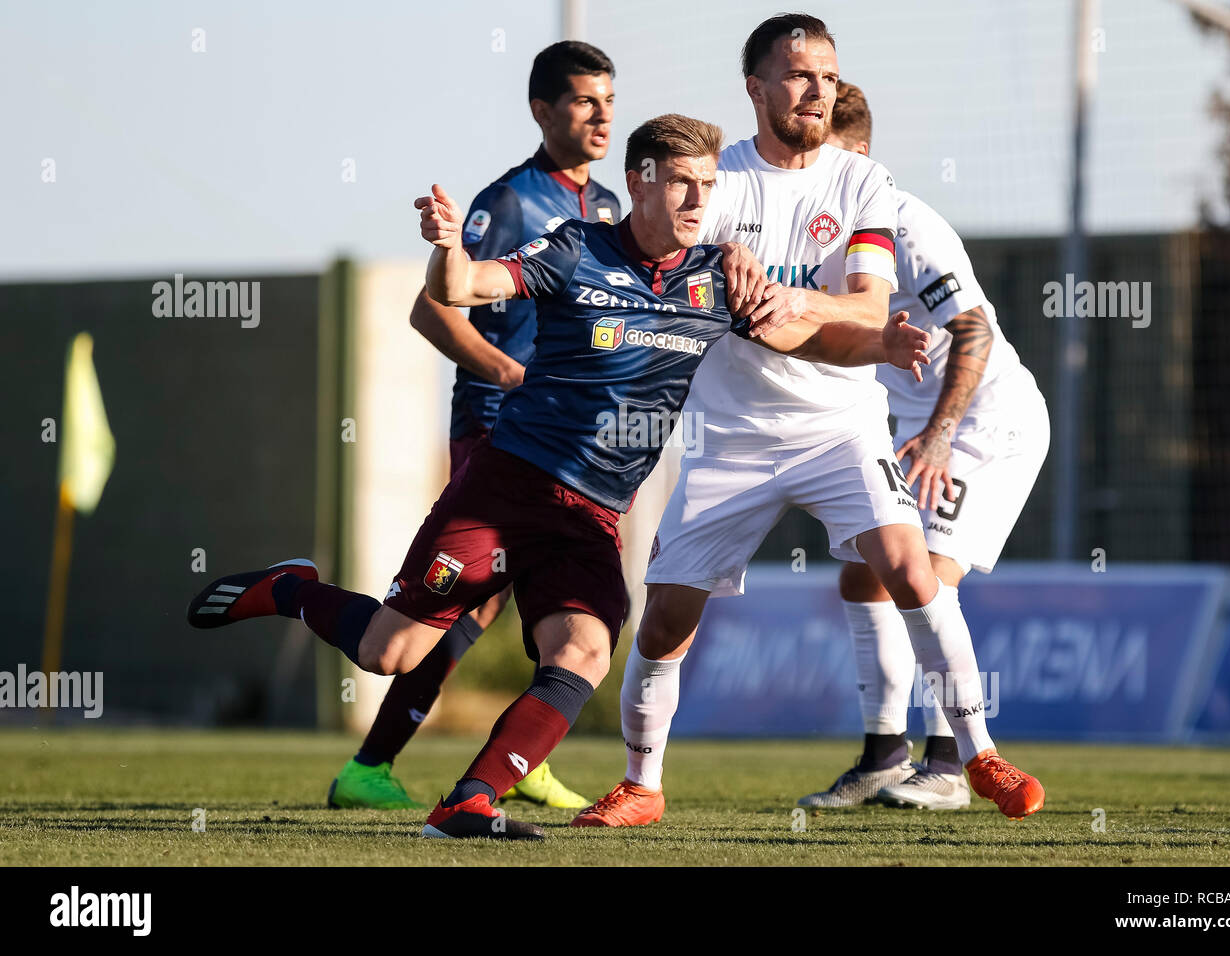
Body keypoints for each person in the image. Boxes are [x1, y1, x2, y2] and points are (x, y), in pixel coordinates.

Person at [187, 113, 932, 840]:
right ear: (639, 185)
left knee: (583, 650)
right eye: (681, 185)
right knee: (391, 653)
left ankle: (469, 801)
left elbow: (808, 338)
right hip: (508, 489)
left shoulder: (717, 275)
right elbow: (467, 285)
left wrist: (881, 344)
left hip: (592, 516)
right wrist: (446, 249)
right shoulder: (577, 250)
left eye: (707, 185)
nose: (700, 202)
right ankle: (290, 587)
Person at [574, 14, 1045, 829]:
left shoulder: (862, 181)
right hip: (733, 438)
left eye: (828, 75)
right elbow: (676, 265)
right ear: (756, 89)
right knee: (664, 621)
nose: (816, 89)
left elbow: (862, 302)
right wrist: (721, 263)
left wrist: (802, 304)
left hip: (843, 428)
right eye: (797, 75)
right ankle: (643, 784)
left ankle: (977, 755)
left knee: (911, 567)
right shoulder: (715, 182)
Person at [325, 41, 621, 813]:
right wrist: (507, 371)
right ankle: (370, 766)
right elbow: (432, 308)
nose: (602, 115)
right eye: (585, 100)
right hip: (500, 424)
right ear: (542, 110)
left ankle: (525, 756)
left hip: (571, 439)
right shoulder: (513, 201)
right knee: (474, 602)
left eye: (609, 100)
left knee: (547, 600)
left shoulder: (613, 208)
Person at [796, 81, 1051, 811]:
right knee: (861, 580)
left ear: (862, 156)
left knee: (927, 576)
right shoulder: (815, 230)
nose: (819, 181)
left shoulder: (908, 227)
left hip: (979, 422)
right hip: (906, 427)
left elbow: (972, 332)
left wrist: (938, 437)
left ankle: (947, 768)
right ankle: (883, 756)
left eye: (831, 164)